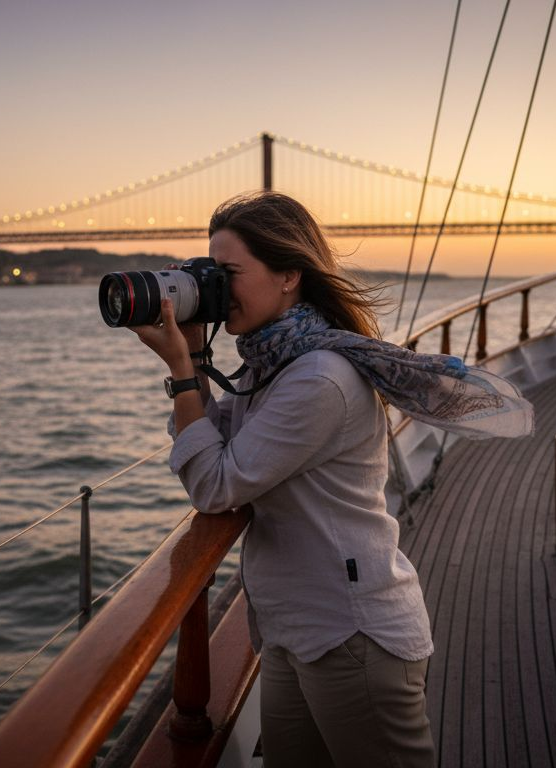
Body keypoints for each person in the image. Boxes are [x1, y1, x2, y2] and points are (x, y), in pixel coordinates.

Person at [131, 191, 531, 768]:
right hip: (296, 627)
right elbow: (219, 441)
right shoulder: (273, 361)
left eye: (229, 274)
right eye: (209, 274)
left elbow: (216, 484)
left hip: (351, 635)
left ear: (290, 273)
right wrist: (192, 359)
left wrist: (179, 373)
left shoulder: (318, 376)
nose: (216, 289)